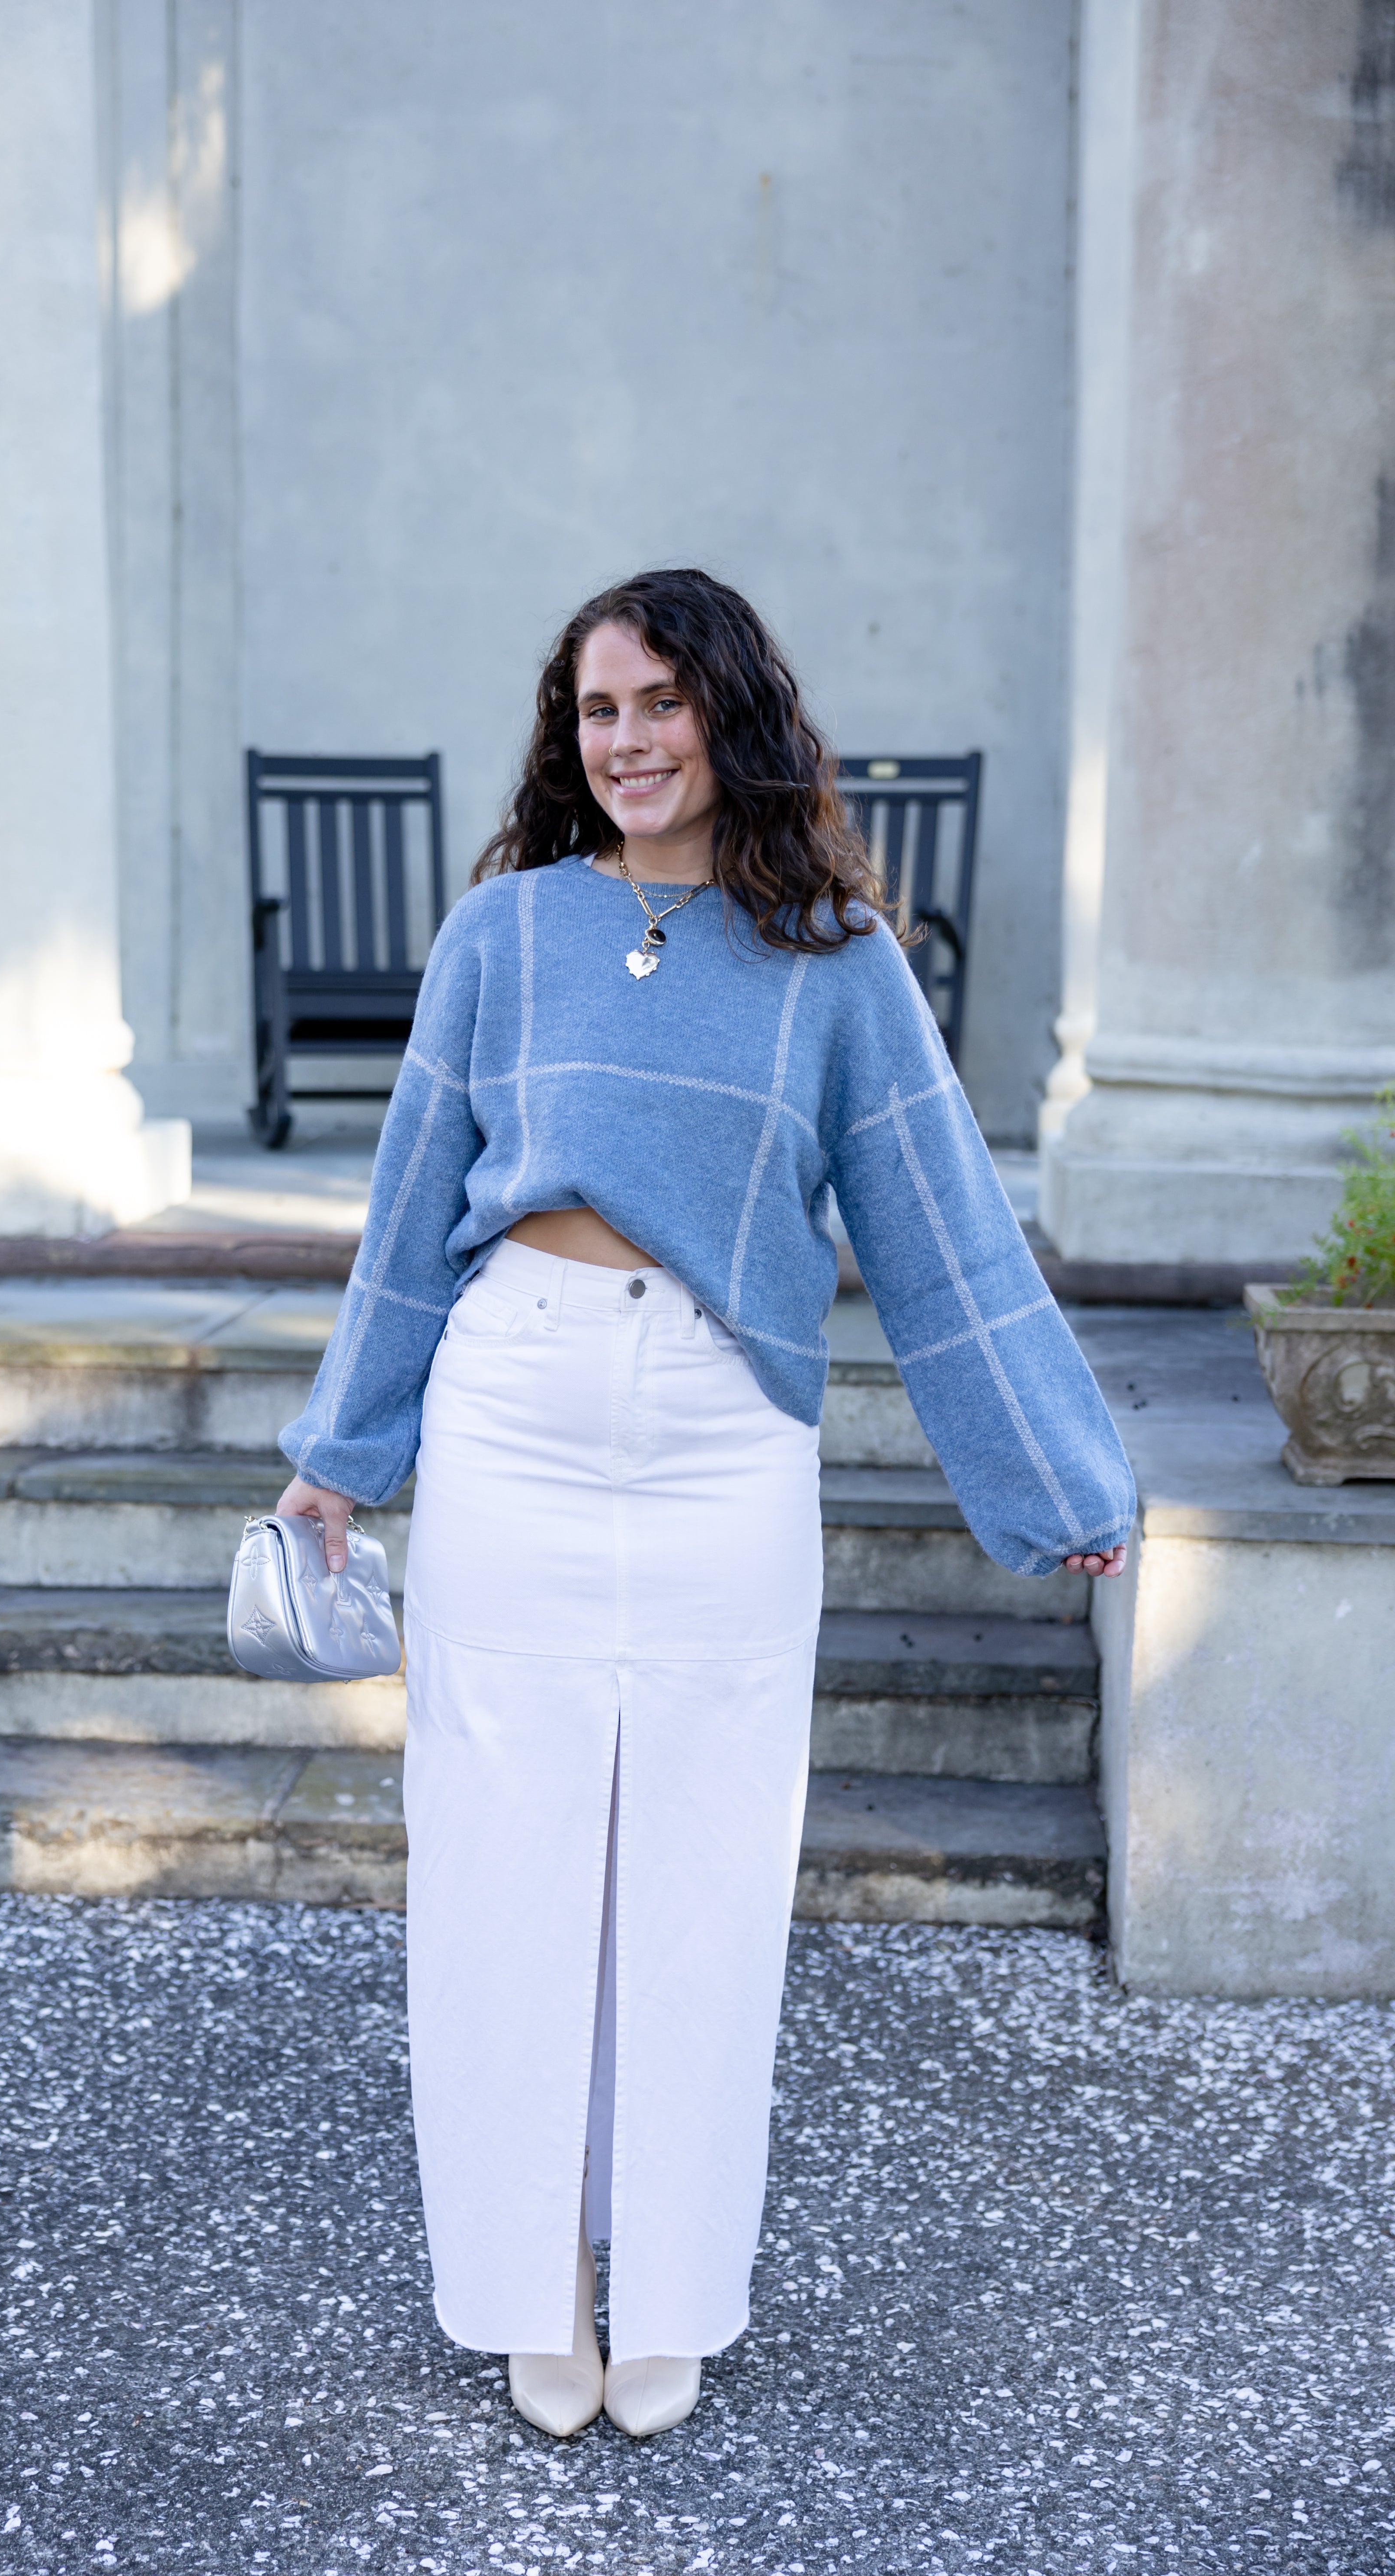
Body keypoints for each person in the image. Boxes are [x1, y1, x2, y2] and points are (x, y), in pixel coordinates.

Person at [277, 568, 1134, 2441]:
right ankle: (533, 2290)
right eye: (598, 710)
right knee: (498, 1869)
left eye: (661, 701)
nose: (629, 740)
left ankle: (668, 2291)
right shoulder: (505, 933)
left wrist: (1053, 1475)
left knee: (708, 1876)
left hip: (721, 1433)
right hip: (513, 1407)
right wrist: (343, 1453)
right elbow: (411, 1211)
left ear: (730, 713)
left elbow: (939, 1228)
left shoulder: (835, 958)